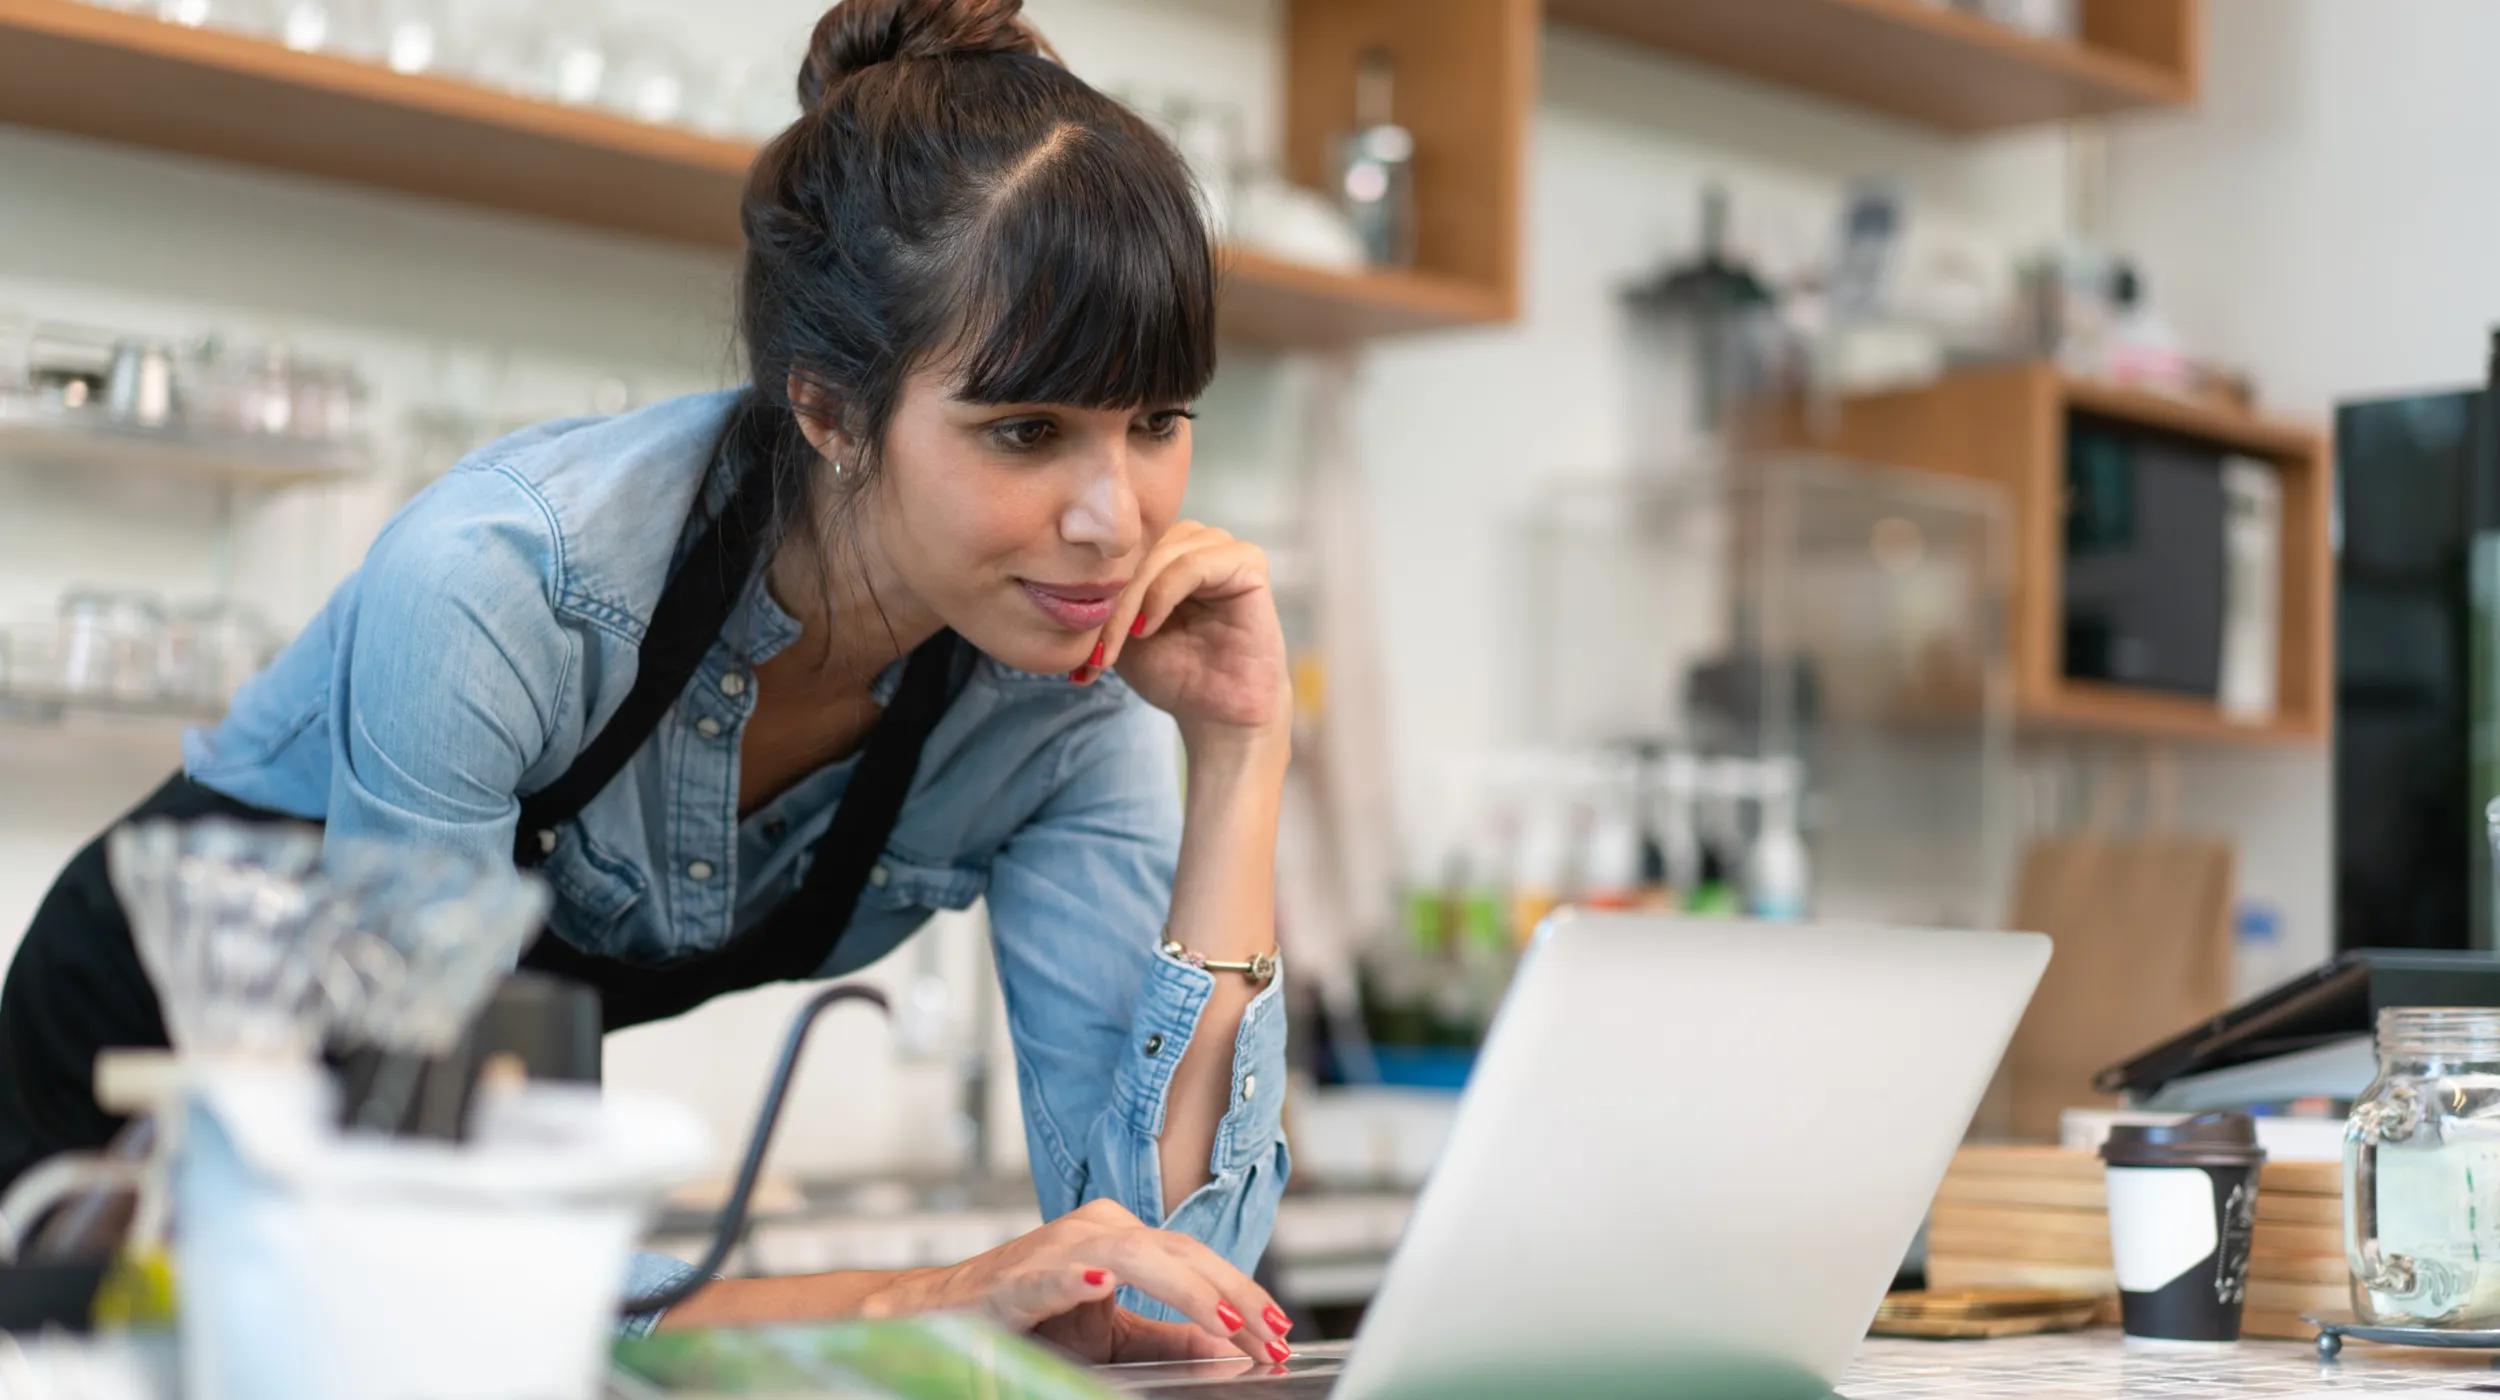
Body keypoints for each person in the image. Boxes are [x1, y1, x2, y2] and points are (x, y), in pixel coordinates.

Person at [0, 0, 1297, 1366]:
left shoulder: (1070, 679)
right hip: (132, 1138)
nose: (1115, 518)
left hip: (434, 1195)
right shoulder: (508, 585)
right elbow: (427, 1227)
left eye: (1156, 424)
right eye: (1026, 430)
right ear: (832, 410)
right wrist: (909, 1295)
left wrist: (1238, 752)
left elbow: (1170, 1283)